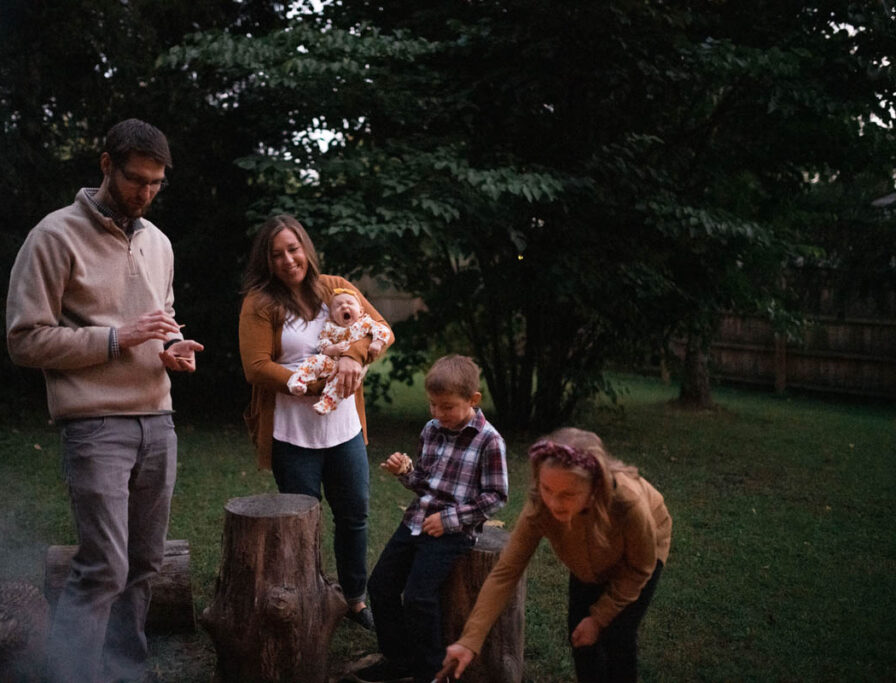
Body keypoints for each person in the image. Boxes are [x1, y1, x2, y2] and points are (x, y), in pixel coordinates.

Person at [6, 118, 203, 683]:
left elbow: (157, 323)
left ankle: (125, 668)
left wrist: (170, 348)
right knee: (103, 567)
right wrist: (118, 338)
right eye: (136, 180)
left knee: (144, 563)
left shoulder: (158, 242)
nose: (145, 193)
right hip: (94, 424)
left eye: (156, 184)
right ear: (105, 165)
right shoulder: (54, 236)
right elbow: (24, 340)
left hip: (157, 419)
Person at [238, 214, 392, 630]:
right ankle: (307, 595)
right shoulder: (259, 302)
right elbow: (255, 367)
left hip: (343, 427)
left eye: (293, 249)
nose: (289, 260)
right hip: (292, 430)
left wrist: (351, 355)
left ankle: (355, 599)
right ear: (266, 261)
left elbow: (379, 329)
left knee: (354, 514)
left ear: (306, 248)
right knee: (301, 521)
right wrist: (303, 384)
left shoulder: (334, 288)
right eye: (277, 254)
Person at [442, 428, 672, 683]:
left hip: (635, 559)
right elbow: (506, 573)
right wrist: (470, 639)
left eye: (567, 494)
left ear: (595, 487)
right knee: (580, 635)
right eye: (547, 489)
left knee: (618, 635)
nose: (554, 503)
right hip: (586, 559)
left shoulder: (629, 504)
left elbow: (639, 569)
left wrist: (598, 618)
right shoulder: (540, 507)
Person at [353, 355, 508, 683]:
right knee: (380, 585)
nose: (438, 414)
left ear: (473, 400)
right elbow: (424, 481)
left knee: (419, 597)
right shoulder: (432, 430)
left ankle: (432, 672)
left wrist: (449, 520)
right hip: (415, 520)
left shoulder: (489, 441)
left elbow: (496, 496)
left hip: (453, 531)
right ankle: (398, 659)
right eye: (432, 406)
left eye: (447, 407)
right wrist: (405, 472)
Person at [287, 287, 392, 415]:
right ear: (332, 315)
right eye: (338, 305)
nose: (344, 306)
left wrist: (377, 342)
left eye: (349, 303)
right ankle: (299, 381)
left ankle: (327, 403)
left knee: (341, 381)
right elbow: (322, 343)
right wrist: (331, 349)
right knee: (314, 361)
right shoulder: (330, 327)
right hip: (330, 362)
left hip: (348, 368)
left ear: (361, 311)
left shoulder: (364, 323)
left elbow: (383, 330)